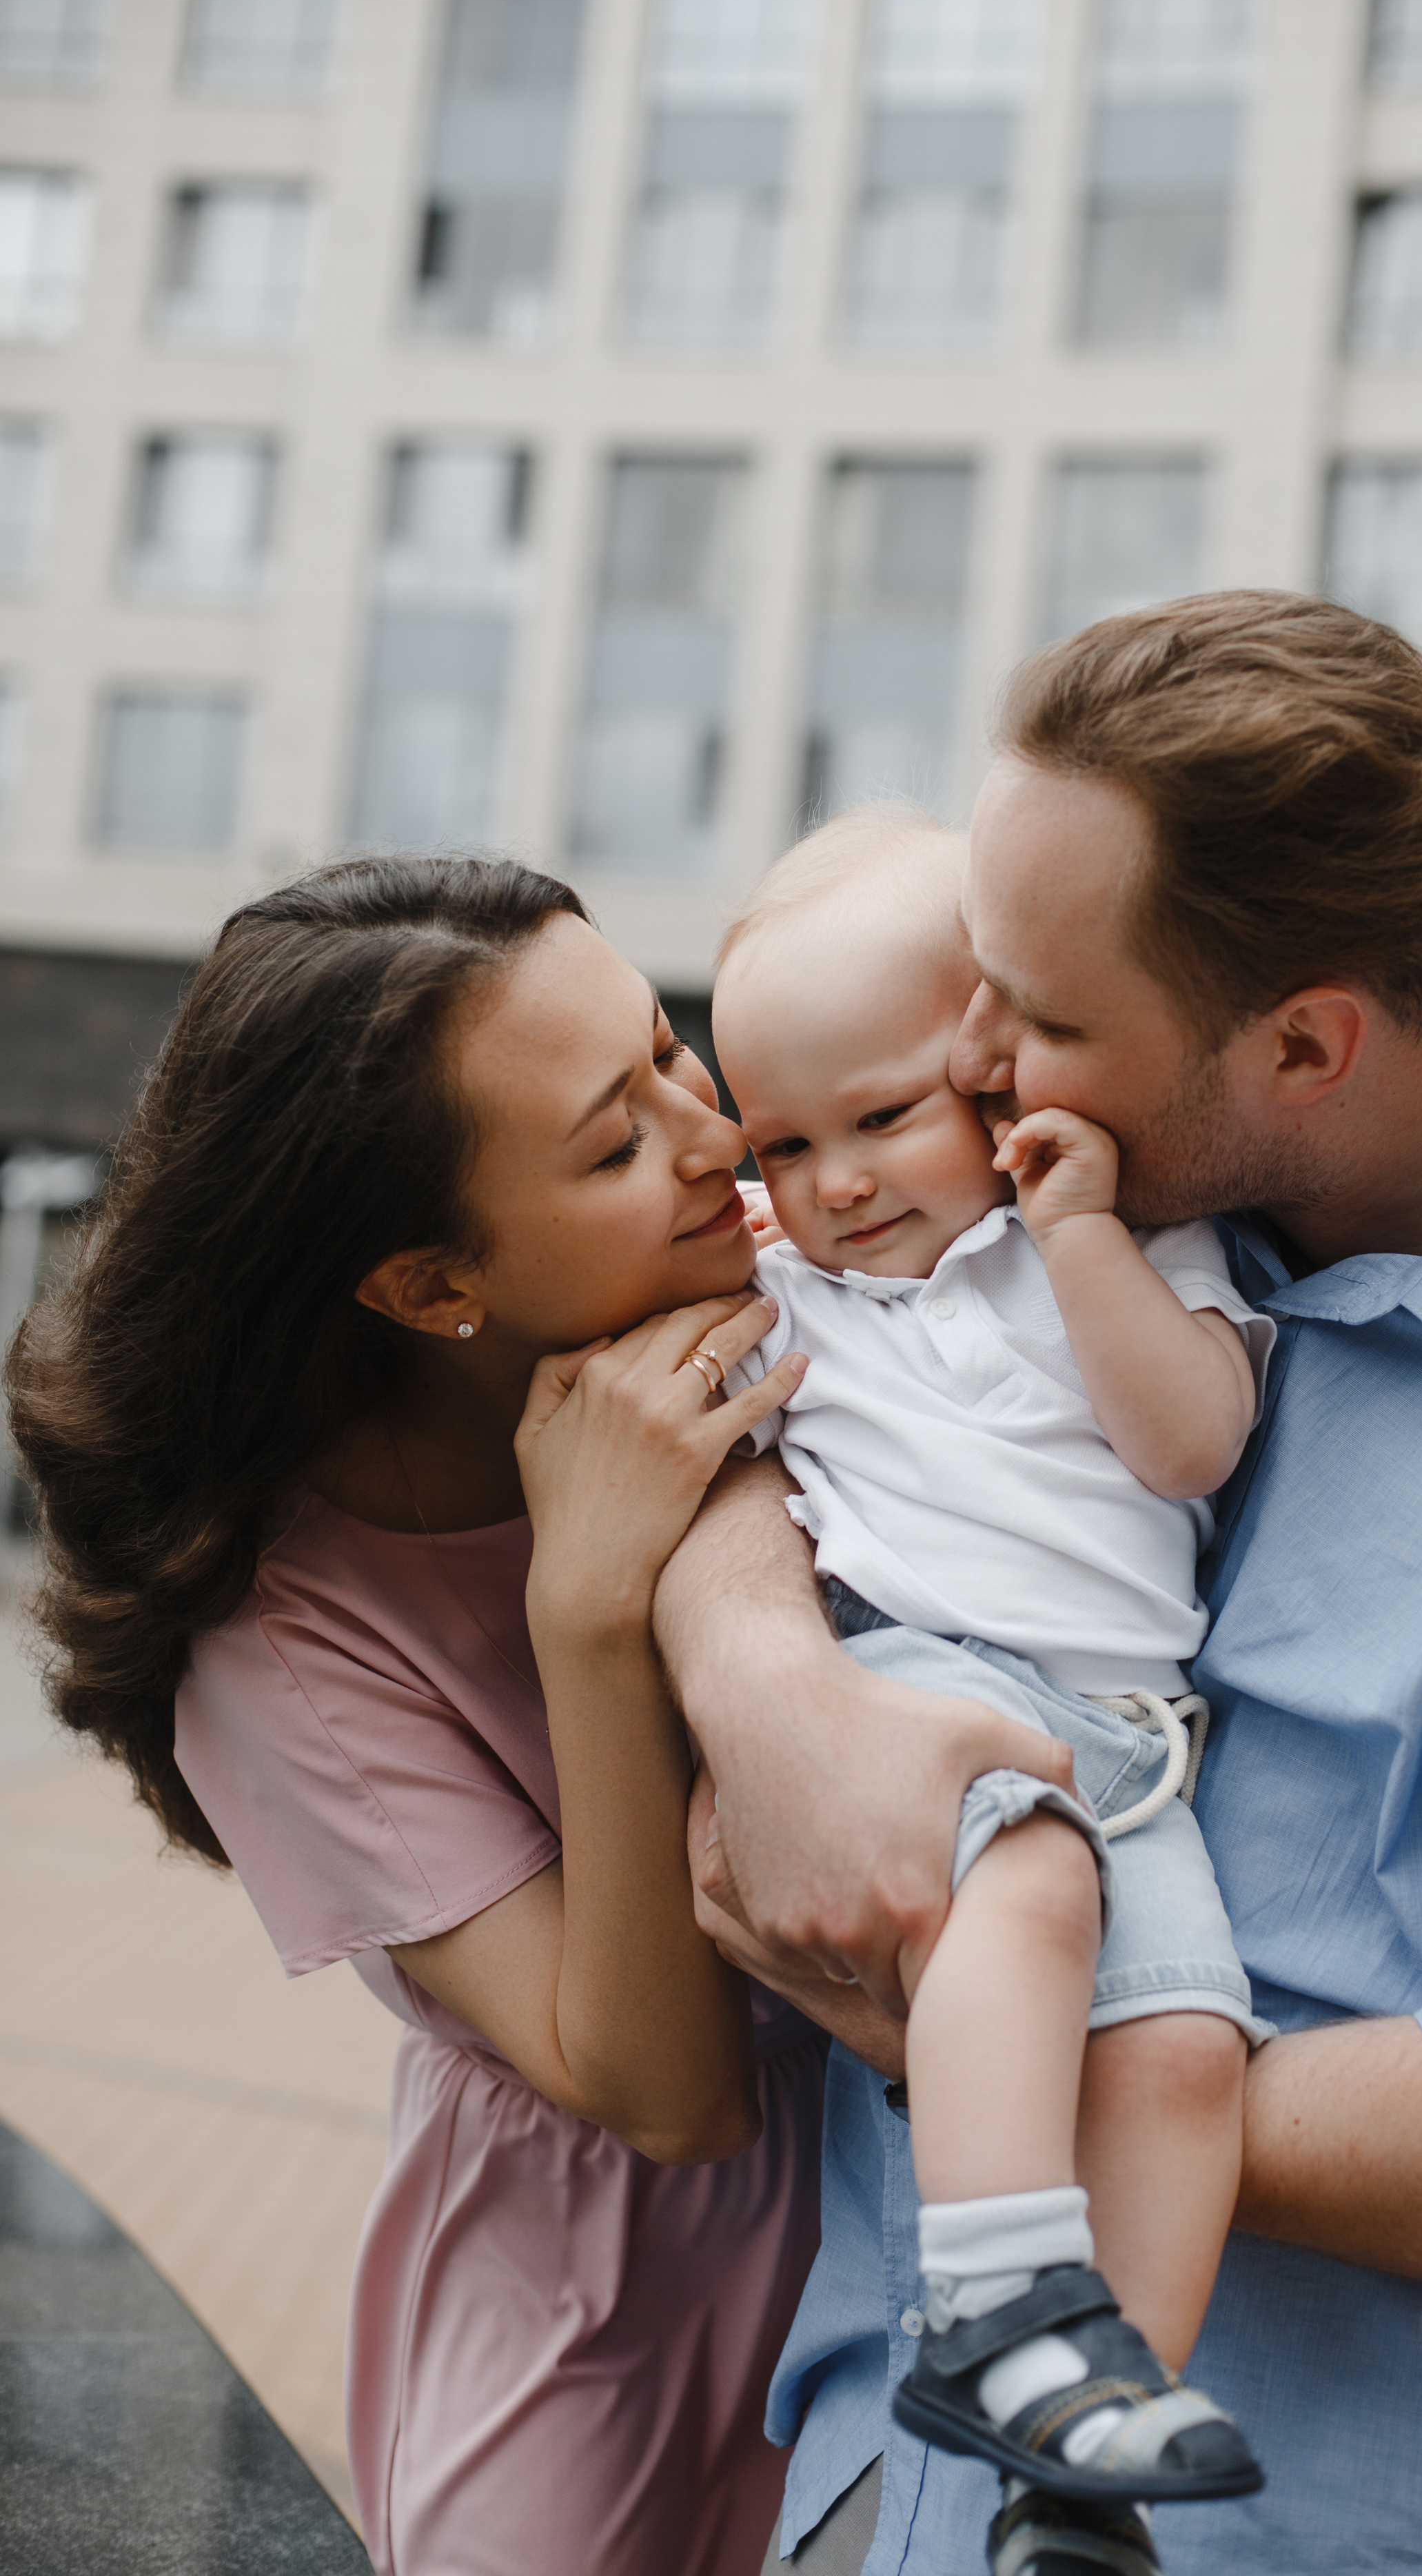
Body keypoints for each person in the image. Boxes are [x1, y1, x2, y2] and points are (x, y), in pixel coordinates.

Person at [650, 594, 1422, 2576]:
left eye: (1043, 1020)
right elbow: (766, 1381)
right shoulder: (1126, 1168)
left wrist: (993, 2019)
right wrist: (766, 1680)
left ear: (1307, 1044)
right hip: (864, 2475)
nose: (973, 1057)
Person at [5, 855, 836, 2576]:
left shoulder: (794, 1274)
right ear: (427, 1281)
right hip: (590, 2324)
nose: (712, 1139)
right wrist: (588, 1611)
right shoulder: (276, 1634)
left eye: (671, 1055)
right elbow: (665, 2096)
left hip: (895, 2228)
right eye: (612, 1144)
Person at [709, 813, 1275, 2535]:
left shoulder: (1097, 1248)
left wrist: (1087, 1236)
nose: (840, 1182)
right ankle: (993, 2308)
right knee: (1024, 1909)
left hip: (1122, 1737)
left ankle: (1084, 2440)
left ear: (988, 1067)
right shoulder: (792, 1286)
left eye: (880, 1118)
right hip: (919, 1688)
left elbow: (1185, 1447)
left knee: (1184, 2051)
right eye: (786, 1141)